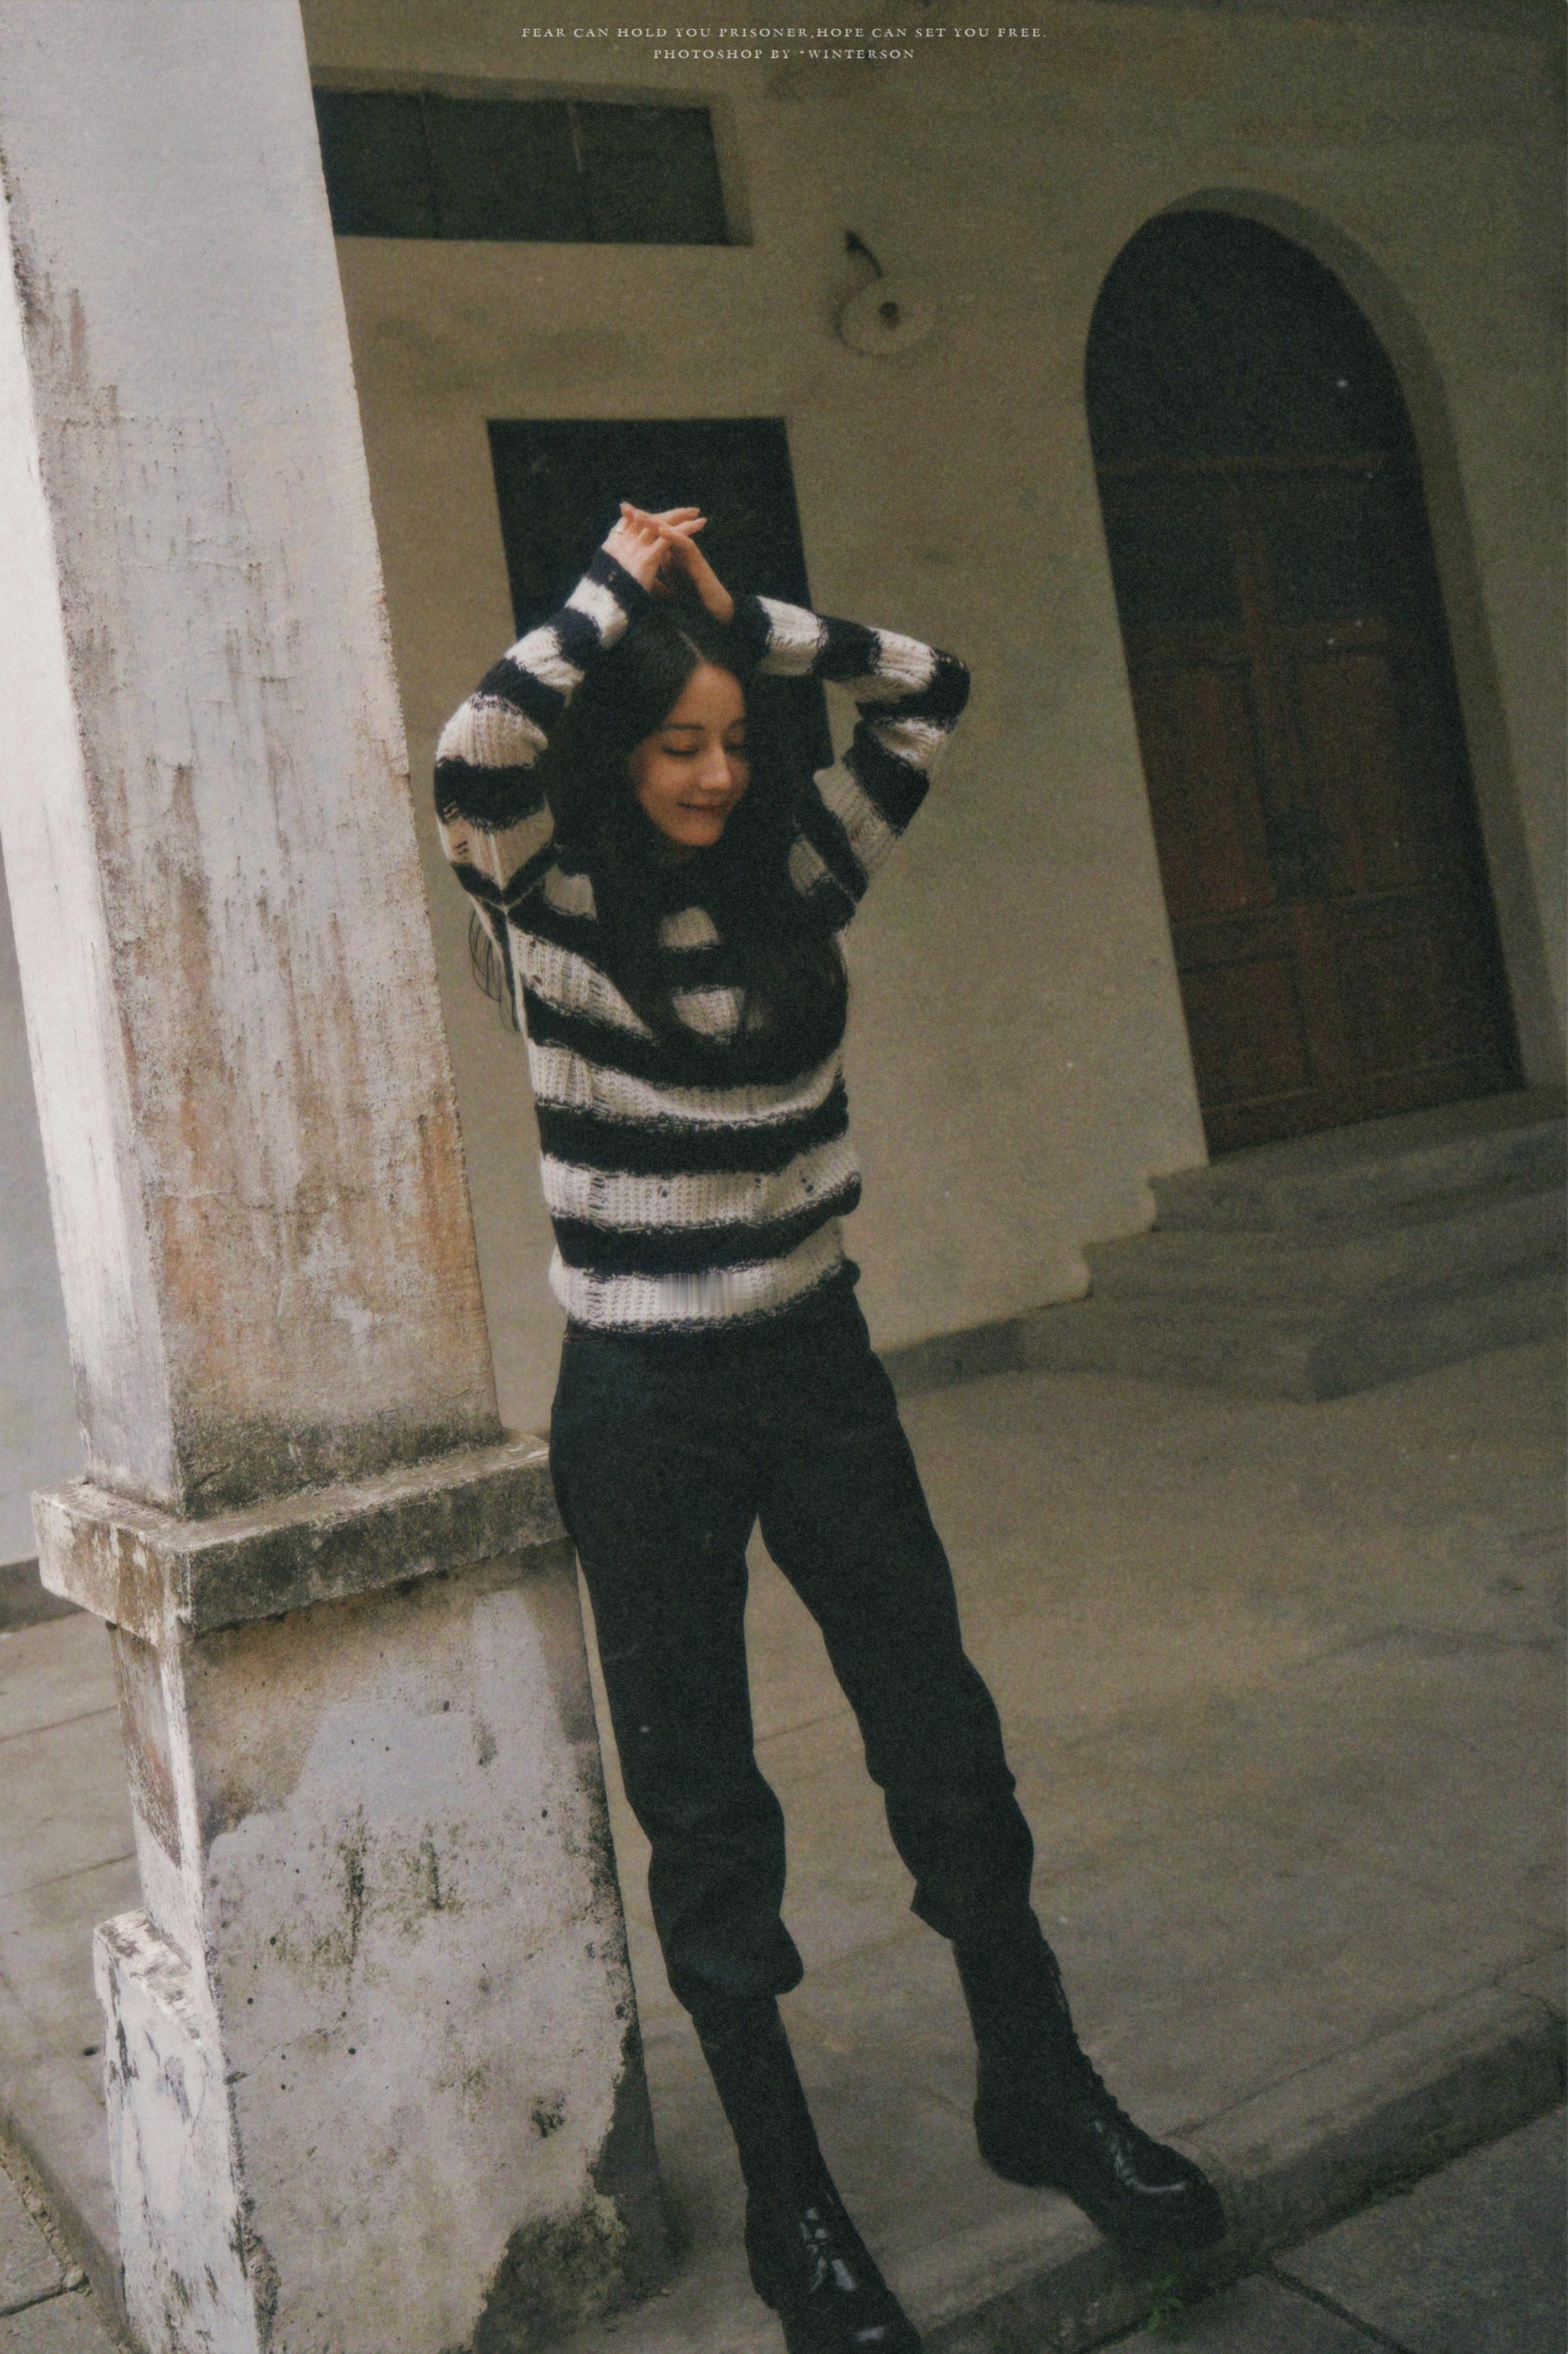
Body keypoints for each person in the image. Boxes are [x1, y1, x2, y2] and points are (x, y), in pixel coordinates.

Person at [434, 503, 1225, 2353]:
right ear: (617, 753)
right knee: (707, 1807)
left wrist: (749, 623)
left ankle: (1039, 2091)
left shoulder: (802, 871)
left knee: (939, 1735)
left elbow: (930, 690)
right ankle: (796, 2210)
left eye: (731, 740)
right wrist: (613, 591)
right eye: (675, 742)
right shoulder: (540, 902)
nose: (714, 774)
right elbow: (474, 748)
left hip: (818, 1368)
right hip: (642, 1403)